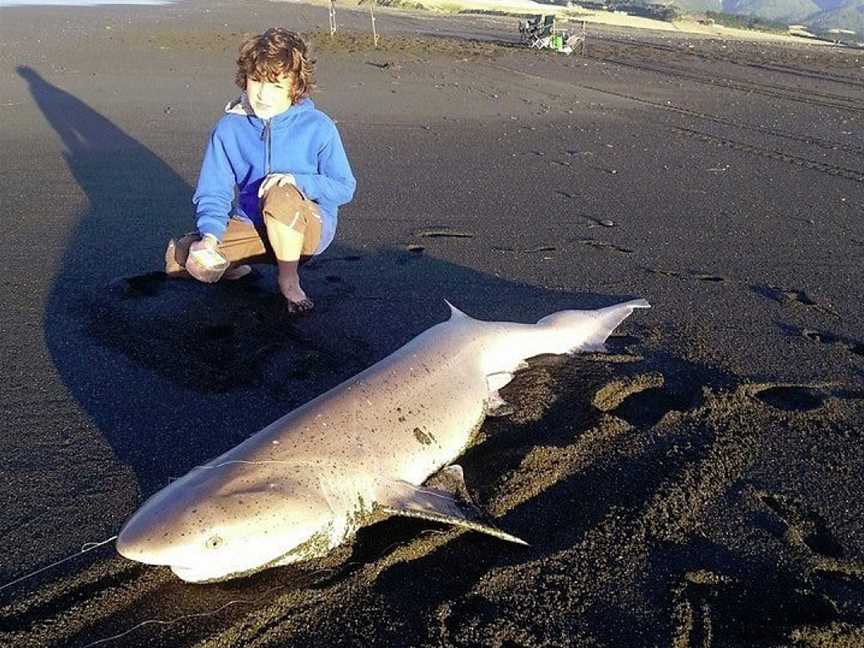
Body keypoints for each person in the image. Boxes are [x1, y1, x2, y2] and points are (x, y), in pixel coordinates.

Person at [164, 28, 356, 313]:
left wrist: (297, 181)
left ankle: (288, 279)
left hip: (306, 230)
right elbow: (213, 191)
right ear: (245, 79)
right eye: (256, 81)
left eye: (277, 85)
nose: (264, 94)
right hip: (252, 225)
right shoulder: (228, 129)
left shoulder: (319, 126)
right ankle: (235, 267)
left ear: (296, 86)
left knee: (281, 194)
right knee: (180, 260)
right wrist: (210, 239)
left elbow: (344, 187)